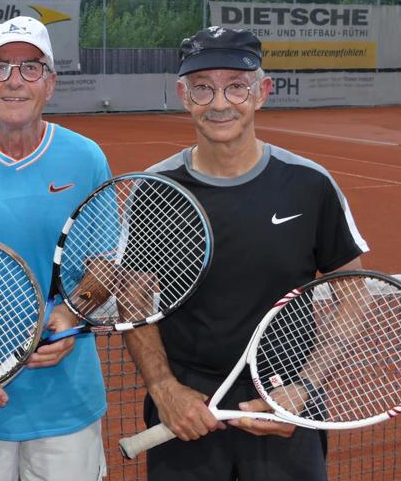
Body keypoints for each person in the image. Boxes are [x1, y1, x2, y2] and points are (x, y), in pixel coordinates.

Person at [123, 26, 369, 481]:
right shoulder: (154, 190)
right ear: (183, 94)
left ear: (262, 92)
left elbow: (352, 293)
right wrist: (163, 389)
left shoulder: (310, 184)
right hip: (185, 410)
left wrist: (306, 387)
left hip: (285, 405)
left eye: (236, 86)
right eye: (203, 88)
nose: (219, 103)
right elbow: (134, 300)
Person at [0, 16, 110, 480]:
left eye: (31, 68)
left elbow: (101, 266)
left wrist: (74, 313)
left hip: (66, 403)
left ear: (50, 83)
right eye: (0, 67)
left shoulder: (86, 158)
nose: (15, 80)